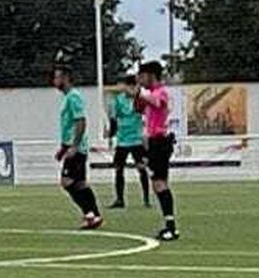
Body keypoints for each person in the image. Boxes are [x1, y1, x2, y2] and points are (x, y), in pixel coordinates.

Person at [53, 64, 103, 230]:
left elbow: (80, 121)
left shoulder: (73, 97)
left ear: (66, 78)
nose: (55, 81)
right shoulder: (69, 97)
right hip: (72, 146)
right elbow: (68, 126)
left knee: (67, 181)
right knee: (79, 183)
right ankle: (94, 215)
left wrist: (74, 146)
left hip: (77, 147)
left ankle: (89, 212)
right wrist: (63, 148)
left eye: (57, 77)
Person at [135, 60, 179, 241]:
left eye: (142, 75)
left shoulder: (160, 92)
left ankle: (171, 226)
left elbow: (158, 103)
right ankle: (169, 224)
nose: (140, 79)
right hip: (153, 142)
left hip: (160, 141)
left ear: (151, 75)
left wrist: (139, 93)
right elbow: (139, 108)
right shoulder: (151, 93)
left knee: (160, 183)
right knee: (157, 183)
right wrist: (138, 97)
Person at [107, 71, 151, 210]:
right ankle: (120, 199)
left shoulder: (140, 100)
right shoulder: (118, 100)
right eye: (129, 86)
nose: (132, 89)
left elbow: (148, 115)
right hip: (122, 140)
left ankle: (146, 199)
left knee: (142, 169)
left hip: (136, 139)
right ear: (125, 86)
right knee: (119, 169)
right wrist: (111, 135)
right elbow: (113, 119)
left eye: (135, 86)